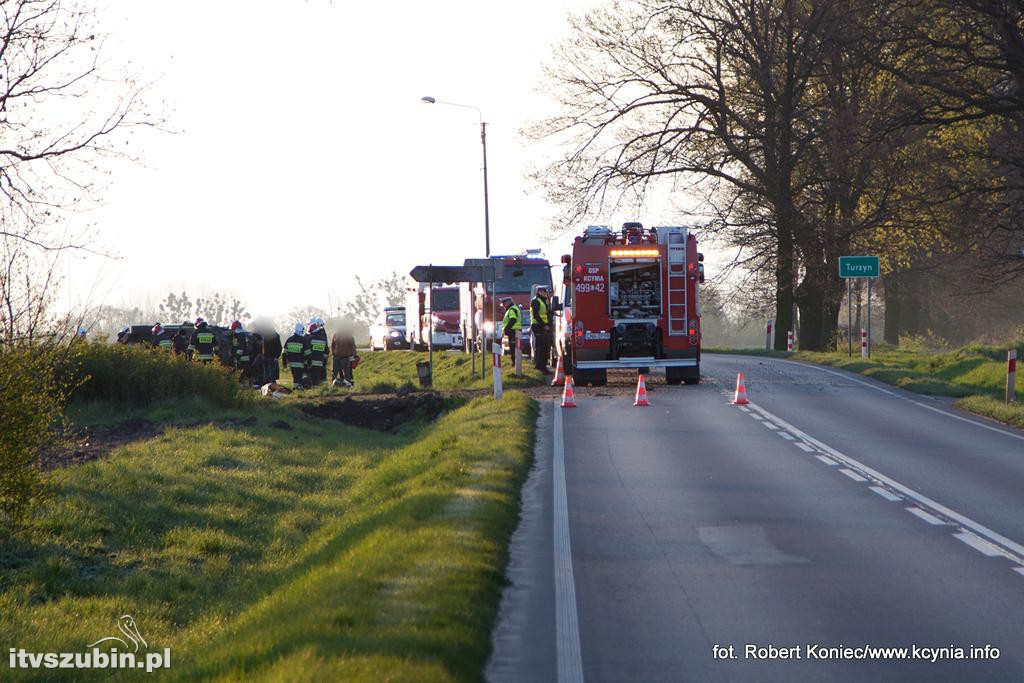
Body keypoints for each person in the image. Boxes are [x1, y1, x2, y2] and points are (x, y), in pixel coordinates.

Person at [531, 286, 553, 373]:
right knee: (542, 347)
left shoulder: (543, 300)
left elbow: (544, 312)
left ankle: (541, 366)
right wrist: (544, 325)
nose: (545, 293)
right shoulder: (536, 301)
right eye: (544, 291)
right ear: (539, 292)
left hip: (543, 326)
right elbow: (536, 315)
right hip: (539, 326)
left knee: (544, 347)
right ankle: (541, 367)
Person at [331, 322, 357, 387]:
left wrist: (352, 358)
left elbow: (353, 347)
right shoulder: (335, 335)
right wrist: (333, 353)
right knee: (334, 373)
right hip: (336, 357)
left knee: (347, 373)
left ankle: (348, 386)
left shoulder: (349, 336)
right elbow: (332, 345)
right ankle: (334, 386)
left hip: (345, 358)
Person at [283, 322, 308, 388]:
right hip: (300, 364)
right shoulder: (303, 340)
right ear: (300, 330)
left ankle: (298, 388)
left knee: (295, 377)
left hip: (291, 364)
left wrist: (284, 363)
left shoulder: (289, 340)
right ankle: (297, 389)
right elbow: (308, 353)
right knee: (298, 378)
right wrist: (308, 363)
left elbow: (284, 353)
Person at [305, 320, 329, 386]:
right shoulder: (323, 339)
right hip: (320, 363)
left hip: (312, 363)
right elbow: (326, 351)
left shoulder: (309, 339)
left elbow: (307, 352)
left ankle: (314, 390)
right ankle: (320, 390)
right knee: (319, 378)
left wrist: (308, 361)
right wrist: (324, 361)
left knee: (312, 379)